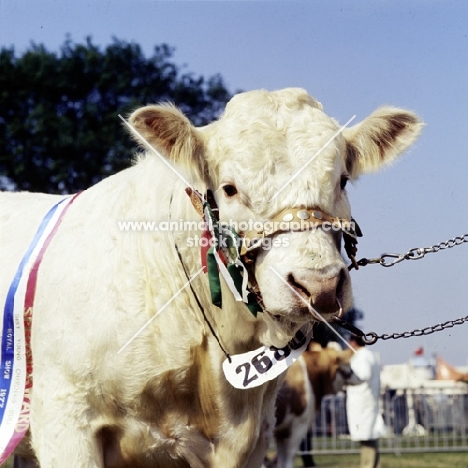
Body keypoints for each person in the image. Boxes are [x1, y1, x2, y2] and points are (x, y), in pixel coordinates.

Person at [346, 335, 386, 468]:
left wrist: (347, 376)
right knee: (369, 436)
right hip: (366, 400)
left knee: (367, 437)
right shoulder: (369, 355)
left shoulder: (362, 356)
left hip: (362, 402)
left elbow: (363, 375)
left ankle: (367, 466)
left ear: (353, 342)